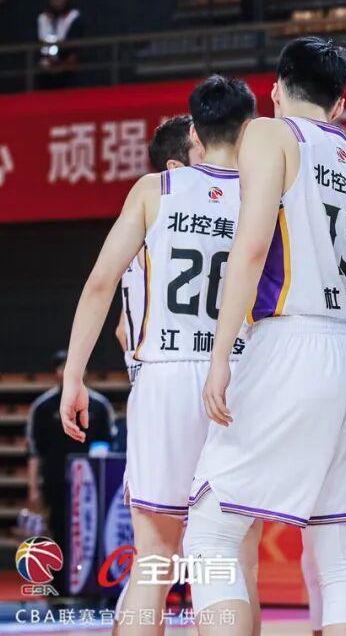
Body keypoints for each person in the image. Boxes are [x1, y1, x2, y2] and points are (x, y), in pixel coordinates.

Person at [183, 39, 346, 636]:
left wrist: (221, 355)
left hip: (292, 339)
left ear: (275, 89)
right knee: (336, 546)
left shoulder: (270, 134)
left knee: (210, 529)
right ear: (340, 105)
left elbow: (251, 248)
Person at [60, 75, 259, 632]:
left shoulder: (155, 190)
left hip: (166, 373)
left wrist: (73, 376)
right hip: (238, 375)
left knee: (154, 557)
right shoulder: (266, 194)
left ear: (195, 131)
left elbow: (101, 284)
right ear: (249, 129)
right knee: (234, 557)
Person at [115, 115, 205, 384]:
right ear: (175, 167)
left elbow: (121, 329)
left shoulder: (140, 227)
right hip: (174, 370)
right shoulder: (171, 228)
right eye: (202, 150)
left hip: (148, 374)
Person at [27, 350, 114, 594]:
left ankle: (92, 585)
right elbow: (34, 452)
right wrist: (33, 489)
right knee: (58, 530)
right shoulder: (43, 407)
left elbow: (108, 446)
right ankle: (59, 587)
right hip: (56, 482)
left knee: (91, 531)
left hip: (90, 484)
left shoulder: (99, 406)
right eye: (61, 367)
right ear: (55, 373)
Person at [36, 0, 82, 88]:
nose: (57, 0)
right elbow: (40, 42)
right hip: (46, 66)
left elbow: (74, 45)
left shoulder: (74, 17)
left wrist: (66, 60)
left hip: (66, 67)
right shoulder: (43, 18)